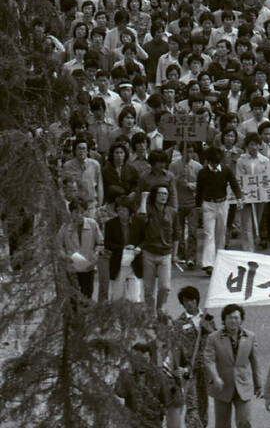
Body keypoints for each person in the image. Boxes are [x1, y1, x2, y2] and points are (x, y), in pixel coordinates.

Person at [204, 303, 262, 428]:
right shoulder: (213, 338)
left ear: (241, 319)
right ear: (224, 320)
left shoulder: (250, 337)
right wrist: (215, 378)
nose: (233, 321)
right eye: (230, 318)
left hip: (243, 385)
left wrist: (259, 385)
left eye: (236, 317)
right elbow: (209, 360)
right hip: (222, 387)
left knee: (244, 421)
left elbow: (255, 362)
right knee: (222, 424)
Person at [170, 285, 216, 428]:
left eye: (191, 300)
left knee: (203, 402)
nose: (189, 304)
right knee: (191, 403)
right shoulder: (179, 323)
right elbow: (176, 348)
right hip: (189, 369)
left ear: (197, 300)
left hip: (205, 367)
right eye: (185, 301)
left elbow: (217, 340)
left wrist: (208, 329)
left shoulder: (207, 319)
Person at [196, 144, 243, 277]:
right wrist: (198, 206)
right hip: (208, 205)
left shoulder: (226, 170)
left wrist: (239, 198)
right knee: (208, 234)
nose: (215, 165)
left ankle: (219, 261)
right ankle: (208, 264)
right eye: (212, 162)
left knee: (221, 233)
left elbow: (234, 183)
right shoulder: (203, 172)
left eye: (217, 162)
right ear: (208, 161)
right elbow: (199, 190)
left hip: (223, 203)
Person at [139, 183, 180, 314]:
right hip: (149, 252)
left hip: (165, 253)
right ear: (155, 195)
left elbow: (177, 234)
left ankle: (160, 308)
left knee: (165, 287)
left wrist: (175, 254)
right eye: (161, 193)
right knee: (148, 288)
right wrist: (144, 198)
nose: (164, 196)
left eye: (166, 194)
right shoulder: (148, 209)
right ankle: (151, 313)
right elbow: (141, 218)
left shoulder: (172, 212)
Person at [56, 197, 103, 298]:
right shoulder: (64, 227)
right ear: (71, 212)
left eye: (82, 212)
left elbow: (100, 243)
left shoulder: (92, 224)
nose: (79, 215)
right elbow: (58, 246)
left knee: (87, 296)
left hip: (88, 267)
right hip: (72, 268)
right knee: (73, 297)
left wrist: (96, 253)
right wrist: (64, 256)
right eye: (76, 212)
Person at [105, 195, 143, 301]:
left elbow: (145, 240)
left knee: (135, 298)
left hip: (134, 263)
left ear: (129, 210)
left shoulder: (138, 223)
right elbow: (107, 244)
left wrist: (139, 248)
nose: (121, 212)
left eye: (123, 210)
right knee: (117, 297)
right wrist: (123, 248)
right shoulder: (110, 224)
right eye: (118, 210)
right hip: (118, 262)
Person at [236, 133, 270, 251]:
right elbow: (239, 178)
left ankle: (254, 244)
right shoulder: (241, 160)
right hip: (245, 195)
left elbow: (267, 178)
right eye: (251, 144)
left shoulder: (265, 161)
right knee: (246, 224)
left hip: (260, 195)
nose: (254, 147)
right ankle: (248, 249)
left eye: (256, 144)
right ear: (247, 146)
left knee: (257, 221)